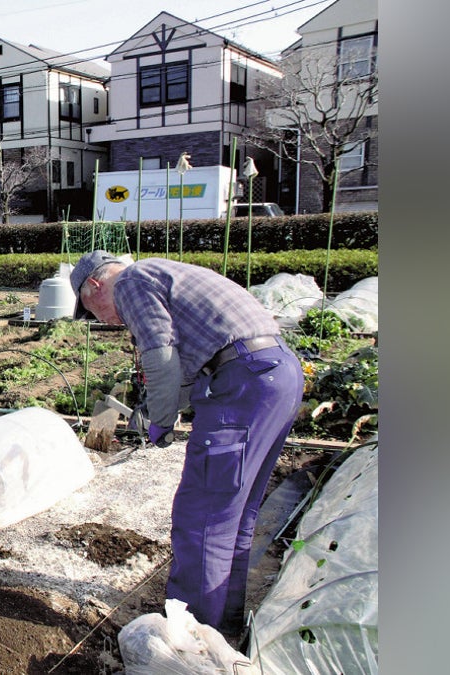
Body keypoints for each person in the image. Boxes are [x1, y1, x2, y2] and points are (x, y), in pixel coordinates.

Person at [70, 250, 304, 638]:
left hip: (241, 384)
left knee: (202, 517)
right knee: (235, 516)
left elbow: (161, 359)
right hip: (276, 374)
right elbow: (179, 367)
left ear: (94, 285)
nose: (103, 320)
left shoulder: (130, 282)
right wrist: (162, 409)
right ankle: (222, 629)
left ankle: (186, 640)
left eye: (92, 311)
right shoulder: (164, 273)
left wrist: (161, 421)